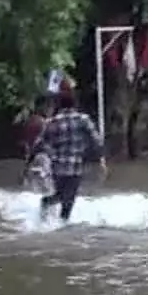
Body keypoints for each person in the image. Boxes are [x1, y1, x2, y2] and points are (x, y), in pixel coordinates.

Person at [29, 88, 105, 222]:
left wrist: (29, 163)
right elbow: (96, 141)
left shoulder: (52, 122)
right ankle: (61, 223)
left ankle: (48, 210)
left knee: (62, 195)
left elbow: (39, 144)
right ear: (75, 105)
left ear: (60, 105)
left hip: (57, 167)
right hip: (75, 166)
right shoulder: (83, 120)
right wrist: (99, 160)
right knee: (68, 199)